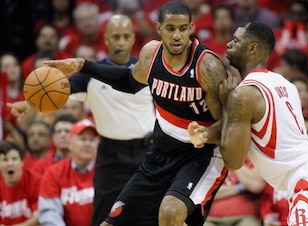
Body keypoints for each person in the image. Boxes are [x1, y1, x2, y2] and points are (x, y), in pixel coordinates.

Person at [43, 2, 228, 225]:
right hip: (160, 153)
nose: (177, 35)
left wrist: (207, 134)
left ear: (191, 27)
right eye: (170, 28)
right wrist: (83, 65)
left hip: (200, 157)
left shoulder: (207, 66)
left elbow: (227, 123)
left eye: (182, 28)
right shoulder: (151, 54)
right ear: (159, 28)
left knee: (170, 213)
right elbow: (129, 82)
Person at [8, 14, 156, 225]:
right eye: (116, 37)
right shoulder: (91, 75)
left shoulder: (145, 72)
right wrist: (27, 103)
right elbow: (55, 90)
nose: (121, 42)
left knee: (152, 216)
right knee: (105, 216)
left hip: (148, 152)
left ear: (133, 39)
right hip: (112, 155)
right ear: (106, 39)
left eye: (125, 36)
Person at [187, 22, 308, 225]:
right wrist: (207, 134)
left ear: (252, 48)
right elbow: (254, 128)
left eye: (236, 40)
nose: (229, 44)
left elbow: (234, 160)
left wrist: (226, 104)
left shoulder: (244, 94)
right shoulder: (285, 83)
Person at [38, 118, 99, 226]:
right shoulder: (54, 172)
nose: (87, 144)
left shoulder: (107, 172)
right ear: (70, 143)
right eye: (82, 139)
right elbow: (49, 212)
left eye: (92, 140)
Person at [0, 141, 41, 225]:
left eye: (14, 159)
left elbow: (39, 217)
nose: (10, 164)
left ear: (22, 162)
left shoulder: (36, 181)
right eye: (5, 160)